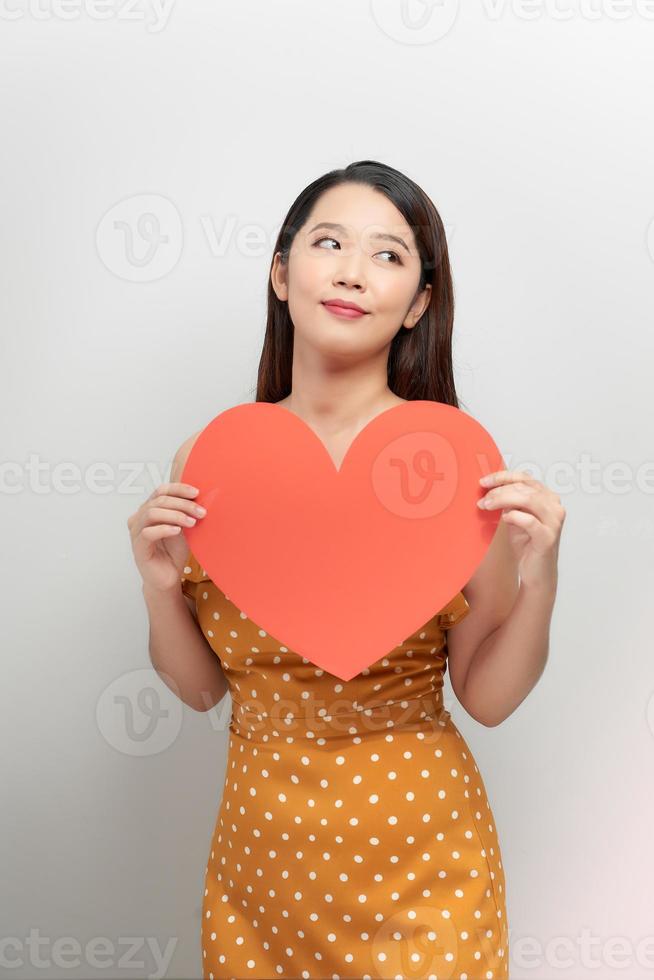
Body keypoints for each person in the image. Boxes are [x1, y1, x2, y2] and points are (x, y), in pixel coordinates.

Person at [128, 160, 565, 980]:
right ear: (282, 272)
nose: (354, 272)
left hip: (425, 867)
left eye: (389, 255)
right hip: (261, 870)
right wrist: (157, 589)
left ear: (420, 304)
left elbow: (488, 699)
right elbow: (200, 690)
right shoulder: (212, 460)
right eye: (329, 243)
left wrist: (540, 578)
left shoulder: (449, 467)